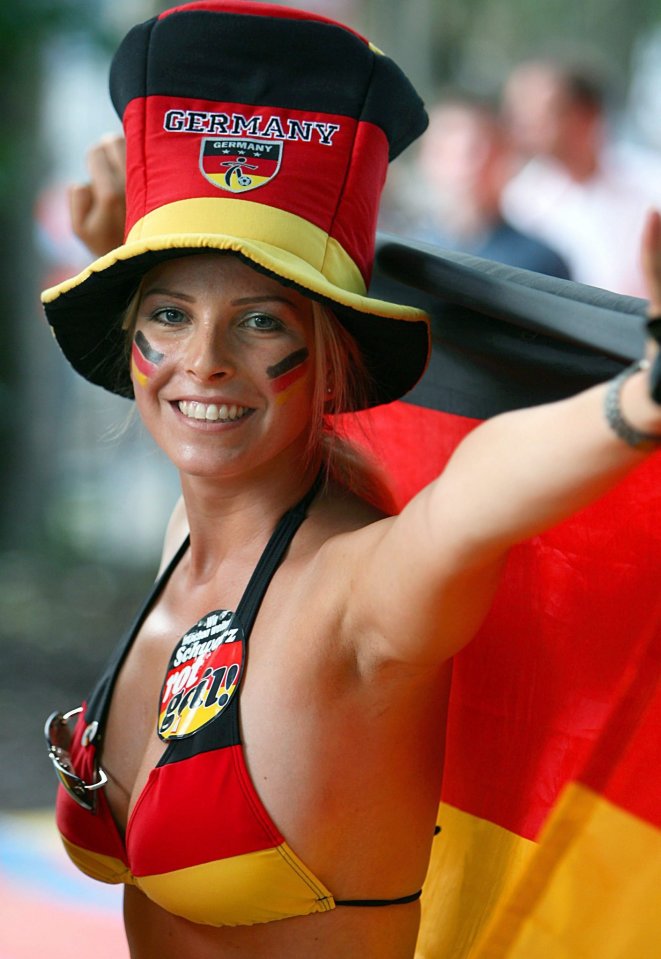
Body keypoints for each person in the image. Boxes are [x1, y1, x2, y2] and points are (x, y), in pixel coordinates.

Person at [42, 4, 661, 958]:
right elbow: (190, 378)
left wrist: (645, 396)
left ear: (330, 359)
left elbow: (468, 503)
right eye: (167, 314)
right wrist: (115, 247)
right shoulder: (189, 536)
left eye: (262, 324)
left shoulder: (360, 597)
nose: (201, 360)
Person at [501, 58, 661, 296]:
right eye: (519, 110)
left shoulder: (650, 181)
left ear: (588, 114)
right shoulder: (518, 201)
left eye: (544, 111)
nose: (526, 123)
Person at [412, 94, 571, 277]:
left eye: (473, 151)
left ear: (504, 154)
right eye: (443, 152)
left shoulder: (541, 263)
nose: (462, 167)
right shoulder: (405, 255)